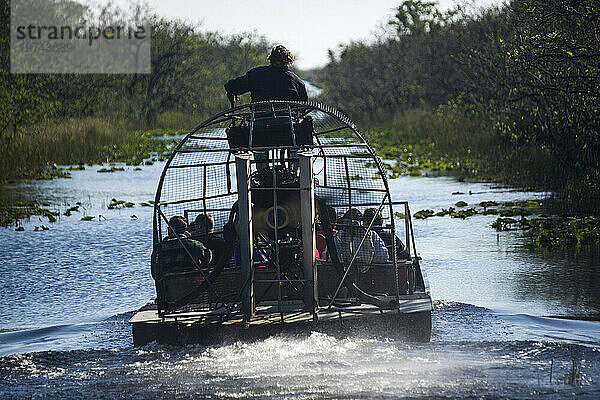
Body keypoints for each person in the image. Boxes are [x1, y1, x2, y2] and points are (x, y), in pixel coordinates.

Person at [224, 45, 308, 104]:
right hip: (288, 125)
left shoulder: (256, 74)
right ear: (288, 61)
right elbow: (303, 107)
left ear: (271, 59)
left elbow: (232, 86)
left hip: (259, 124)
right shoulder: (296, 81)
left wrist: (230, 91)